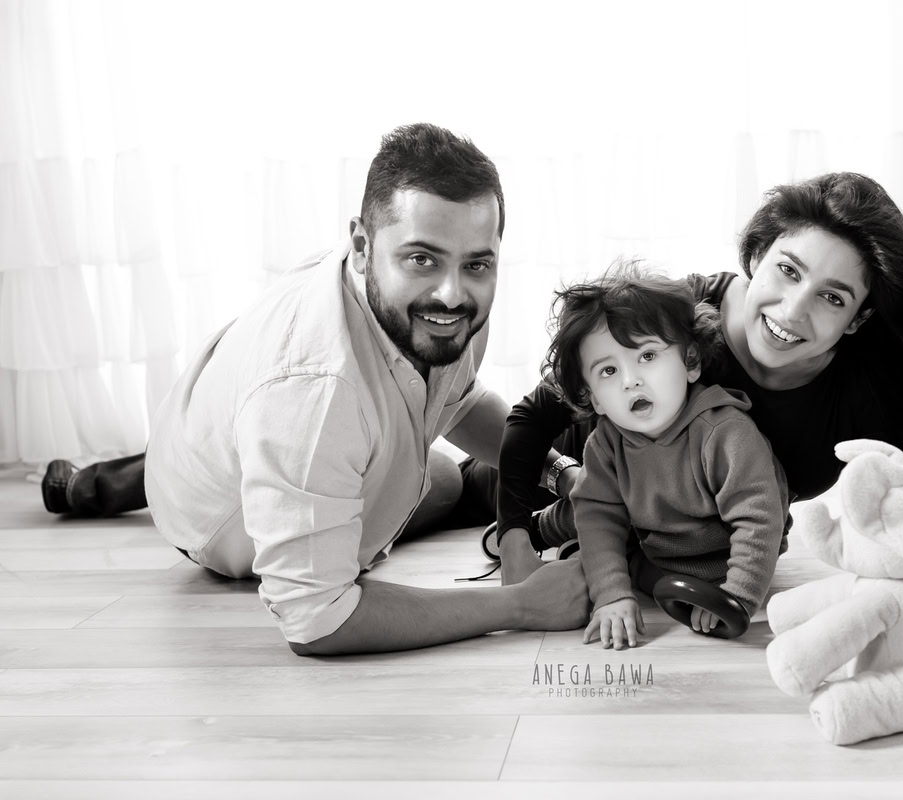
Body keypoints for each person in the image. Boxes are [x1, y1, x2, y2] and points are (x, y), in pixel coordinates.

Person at [43, 123, 590, 655]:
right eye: (421, 259)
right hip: (215, 509)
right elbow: (318, 619)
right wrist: (521, 606)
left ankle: (232, 430)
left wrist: (559, 473)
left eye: (476, 263)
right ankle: (106, 483)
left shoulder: (443, 309)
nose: (451, 293)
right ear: (361, 244)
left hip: (267, 406)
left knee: (441, 479)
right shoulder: (315, 395)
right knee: (312, 435)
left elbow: (458, 400)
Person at [470, 171, 903, 589]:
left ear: (857, 319)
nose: (792, 310)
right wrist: (517, 536)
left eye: (832, 297)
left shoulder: (867, 395)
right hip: (560, 470)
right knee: (449, 490)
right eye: (788, 270)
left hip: (664, 531)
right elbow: (531, 417)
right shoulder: (681, 315)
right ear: (758, 256)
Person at [535, 265, 790, 649]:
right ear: (594, 399)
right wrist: (611, 595)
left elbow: (759, 517)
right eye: (608, 370)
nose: (630, 380)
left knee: (631, 555)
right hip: (654, 541)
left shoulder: (724, 433)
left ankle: (581, 548)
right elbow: (598, 515)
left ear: (690, 362)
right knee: (586, 511)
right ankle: (540, 528)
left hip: (721, 552)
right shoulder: (607, 443)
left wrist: (736, 595)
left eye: (648, 356)